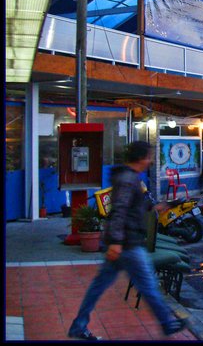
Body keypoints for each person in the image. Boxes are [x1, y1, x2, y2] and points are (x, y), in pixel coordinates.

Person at [68, 141, 187, 340]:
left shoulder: (130, 178)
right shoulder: (127, 179)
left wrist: (161, 206)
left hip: (123, 244)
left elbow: (133, 207)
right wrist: (115, 242)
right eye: (149, 156)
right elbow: (120, 211)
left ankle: (79, 326)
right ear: (141, 158)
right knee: (148, 284)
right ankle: (167, 323)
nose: (150, 161)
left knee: (99, 286)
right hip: (127, 244)